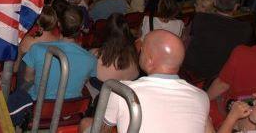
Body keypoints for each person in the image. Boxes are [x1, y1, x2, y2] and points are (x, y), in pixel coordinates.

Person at [80, 30, 211, 133]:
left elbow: (102, 130)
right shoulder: (202, 97)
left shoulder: (123, 92)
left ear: (149, 60)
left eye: (142, 50)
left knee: (86, 123)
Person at [7, 5, 96, 127]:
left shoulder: (37, 49)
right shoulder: (90, 59)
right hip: (70, 110)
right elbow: (85, 80)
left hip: (38, 108)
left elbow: (28, 78)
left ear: (59, 24)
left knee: (25, 70)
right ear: (81, 27)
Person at [183, 0, 252, 80]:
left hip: (191, 71)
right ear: (236, 7)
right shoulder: (245, 29)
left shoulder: (200, 18)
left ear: (215, 2)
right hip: (218, 75)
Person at [87, 13, 139, 99]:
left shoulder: (95, 54)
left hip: (100, 99)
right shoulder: (134, 56)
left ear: (106, 32)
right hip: (125, 98)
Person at [14, 6, 59, 83]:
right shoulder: (59, 42)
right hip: (50, 83)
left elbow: (15, 68)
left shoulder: (28, 41)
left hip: (27, 85)